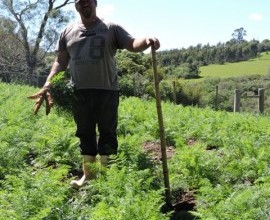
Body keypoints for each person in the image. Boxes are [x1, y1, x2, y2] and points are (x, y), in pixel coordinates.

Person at [28, 0, 160, 187]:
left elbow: (132, 44)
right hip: (79, 93)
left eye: (88, 0)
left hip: (107, 91)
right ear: (76, 6)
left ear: (95, 3)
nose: (84, 4)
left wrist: (147, 41)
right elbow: (60, 61)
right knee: (84, 133)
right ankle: (88, 176)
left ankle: (106, 178)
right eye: (80, 2)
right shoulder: (67, 31)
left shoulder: (111, 28)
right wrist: (49, 81)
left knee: (107, 132)